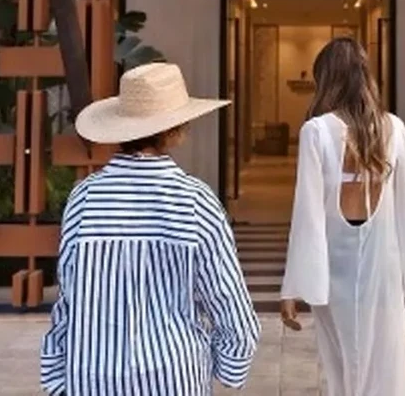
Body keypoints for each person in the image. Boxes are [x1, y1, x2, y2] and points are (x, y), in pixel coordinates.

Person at [40, 63, 261, 396]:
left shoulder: (84, 198)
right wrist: (229, 368)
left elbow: (69, 295)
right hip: (175, 376)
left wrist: (56, 372)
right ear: (175, 130)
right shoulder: (195, 200)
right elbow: (230, 305)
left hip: (93, 376)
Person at [280, 37, 405, 395]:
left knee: (341, 365)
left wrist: (294, 286)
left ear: (326, 79)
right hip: (384, 263)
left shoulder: (316, 131)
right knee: (384, 365)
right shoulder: (393, 127)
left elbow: (308, 212)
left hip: (333, 265)